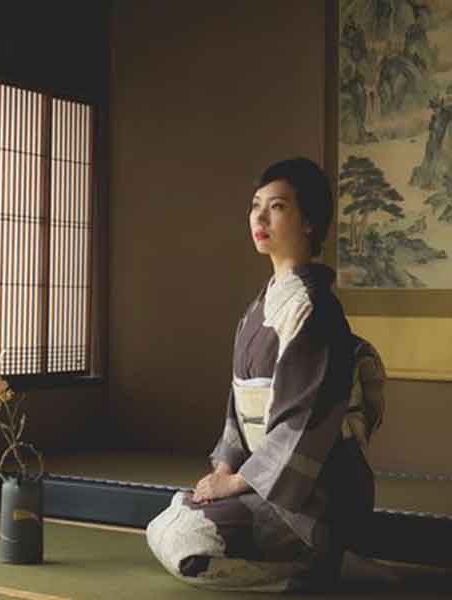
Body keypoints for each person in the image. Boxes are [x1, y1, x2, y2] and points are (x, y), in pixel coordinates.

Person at [145, 157, 375, 592]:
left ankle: (320, 560)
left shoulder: (315, 309)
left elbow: (302, 423)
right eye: (255, 205)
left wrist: (234, 482)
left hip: (308, 497)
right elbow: (238, 411)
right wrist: (223, 470)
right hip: (260, 480)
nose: (260, 216)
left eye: (278, 206)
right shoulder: (259, 307)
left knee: (188, 537)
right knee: (169, 522)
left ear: (309, 222)